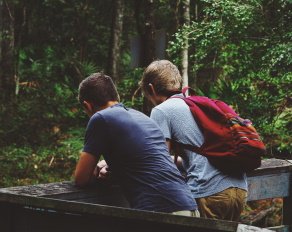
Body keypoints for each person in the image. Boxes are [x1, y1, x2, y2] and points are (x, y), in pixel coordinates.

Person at [74, 72, 199, 216]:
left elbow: (81, 179)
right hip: (188, 206)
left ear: (87, 106)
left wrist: (95, 168)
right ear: (116, 97)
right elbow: (146, 161)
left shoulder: (100, 118)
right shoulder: (143, 118)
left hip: (162, 211)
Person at [139, 60, 248, 221]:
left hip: (209, 191)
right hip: (239, 189)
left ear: (151, 88)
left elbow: (159, 160)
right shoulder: (196, 105)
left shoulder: (161, 111)